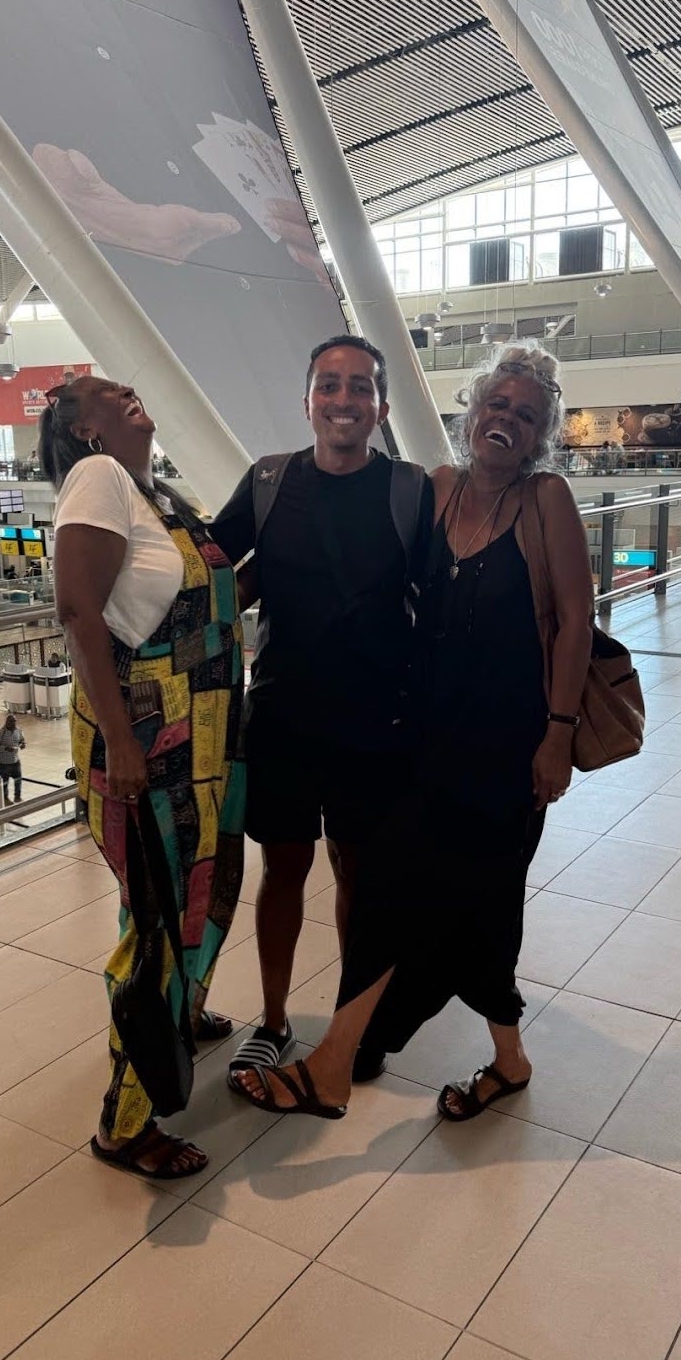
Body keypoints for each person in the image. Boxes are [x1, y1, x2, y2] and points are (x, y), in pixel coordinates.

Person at [232, 345, 594, 1124]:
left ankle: (355, 1062)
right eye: (497, 404)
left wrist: (558, 735)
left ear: (540, 435)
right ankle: (416, 1057)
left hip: (507, 746)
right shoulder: (438, 490)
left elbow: (575, 623)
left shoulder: (546, 499)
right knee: (397, 892)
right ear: (473, 411)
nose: (506, 420)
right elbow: (361, 558)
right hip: (424, 735)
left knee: (482, 903)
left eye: (526, 415)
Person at [210, 336, 432, 1092]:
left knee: (358, 875)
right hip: (284, 717)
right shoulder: (270, 482)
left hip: (377, 723)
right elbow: (210, 570)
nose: (344, 400)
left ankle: (350, 1026)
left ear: (382, 407)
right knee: (283, 870)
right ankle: (273, 1022)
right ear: (307, 401)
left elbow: (440, 598)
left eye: (360, 387)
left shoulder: (408, 490)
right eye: (330, 386)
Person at [44, 374, 245, 1180]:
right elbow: (77, 611)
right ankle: (125, 1123)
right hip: (148, 736)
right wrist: (123, 744)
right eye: (106, 392)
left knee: (205, 884)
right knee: (160, 914)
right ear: (84, 429)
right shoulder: (97, 478)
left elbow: (194, 605)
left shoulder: (153, 494)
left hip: (201, 733)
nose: (127, 390)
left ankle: (180, 1013)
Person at [0, 712, 26, 802]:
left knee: (18, 779)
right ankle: (5, 798)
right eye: (11, 721)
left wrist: (22, 744)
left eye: (14, 721)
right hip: (3, 762)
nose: (13, 723)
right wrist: (7, 748)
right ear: (6, 722)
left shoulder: (18, 731)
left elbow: (22, 740)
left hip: (15, 760)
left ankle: (17, 797)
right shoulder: (0, 732)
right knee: (5, 780)